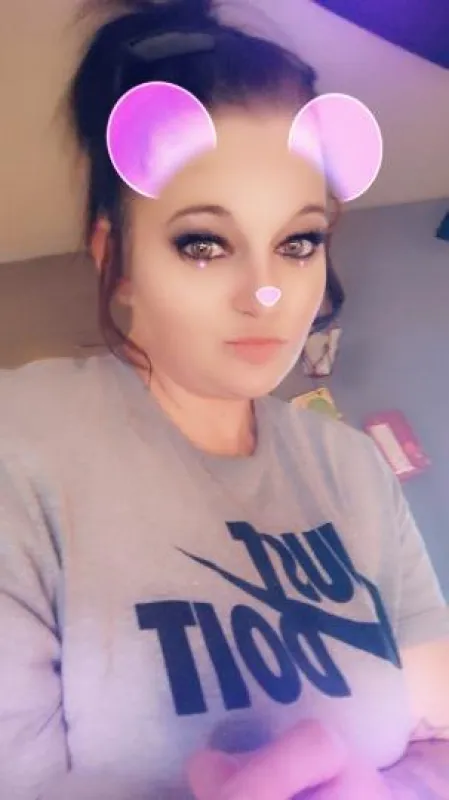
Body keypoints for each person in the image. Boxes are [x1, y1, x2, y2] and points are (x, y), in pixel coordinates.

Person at [1, 0, 449, 798]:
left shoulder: (350, 467)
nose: (265, 293)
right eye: (203, 243)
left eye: (298, 241)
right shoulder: (21, 441)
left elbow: (438, 730)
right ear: (118, 261)